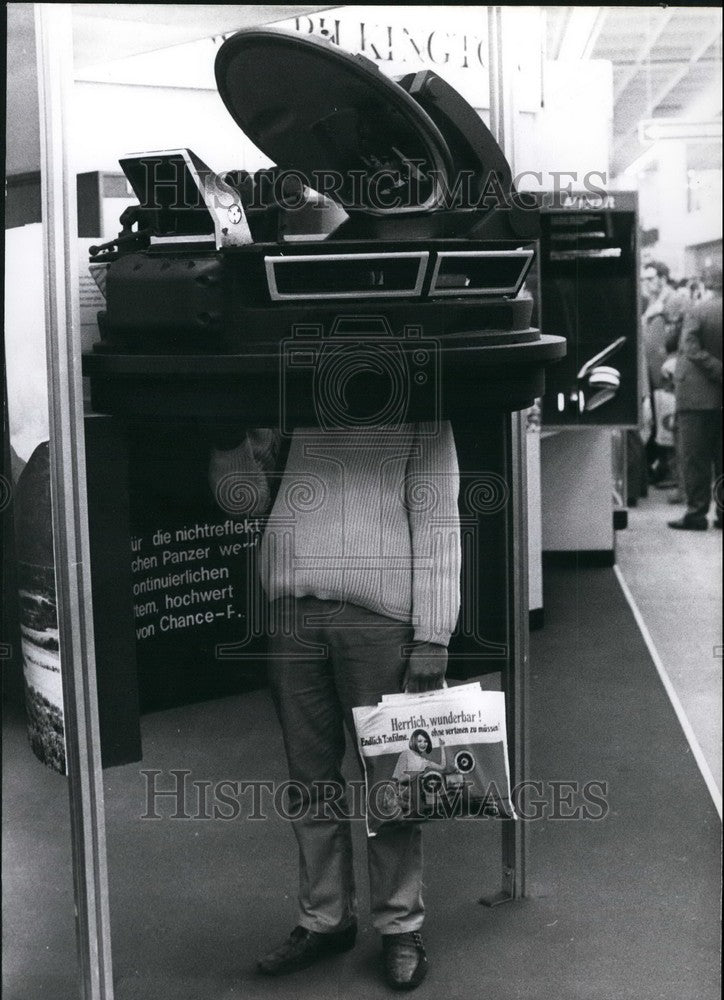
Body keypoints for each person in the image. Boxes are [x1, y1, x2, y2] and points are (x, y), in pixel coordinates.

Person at [209, 419, 461, 991]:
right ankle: (325, 919)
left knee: (392, 780)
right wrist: (228, 437)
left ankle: (400, 925)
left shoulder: (420, 398)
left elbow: (439, 517)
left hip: (381, 617)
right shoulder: (291, 392)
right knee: (309, 776)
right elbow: (240, 502)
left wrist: (433, 635)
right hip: (293, 610)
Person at [666, 268, 722, 530]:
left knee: (694, 458)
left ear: (705, 285)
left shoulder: (698, 311)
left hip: (695, 398)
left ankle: (696, 514)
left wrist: (717, 369)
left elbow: (689, 347)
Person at [641, 260, 684, 486]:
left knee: (669, 420)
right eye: (644, 279)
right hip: (653, 372)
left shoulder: (675, 299)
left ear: (662, 278)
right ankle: (664, 467)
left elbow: (680, 334)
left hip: (666, 373)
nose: (646, 283)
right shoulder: (652, 301)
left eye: (650, 278)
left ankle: (673, 472)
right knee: (659, 420)